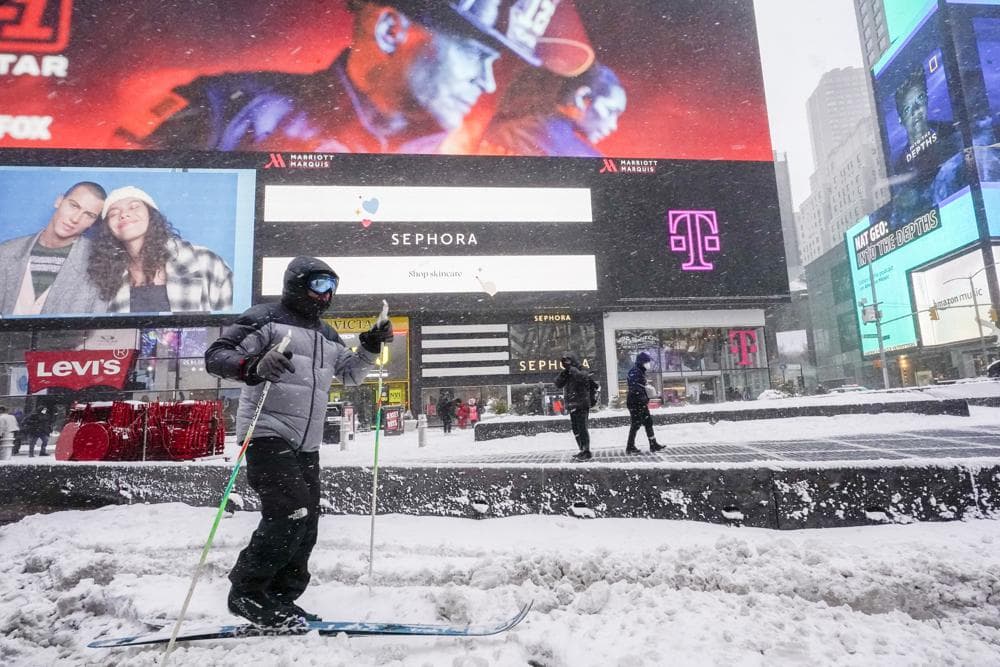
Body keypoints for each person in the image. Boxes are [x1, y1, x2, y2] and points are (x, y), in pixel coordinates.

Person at [204, 256, 392, 627]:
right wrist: (253, 366)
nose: (327, 295)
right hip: (266, 432)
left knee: (308, 521)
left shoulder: (326, 334)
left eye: (332, 288)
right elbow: (217, 356)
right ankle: (247, 593)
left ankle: (280, 596)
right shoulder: (264, 319)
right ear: (296, 283)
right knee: (290, 511)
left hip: (306, 442)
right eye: (320, 285)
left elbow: (351, 375)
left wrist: (369, 346)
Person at [141, 0, 555, 154]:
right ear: (390, 30)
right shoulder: (224, 111)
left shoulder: (465, 155)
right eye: (475, 56)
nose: (487, 83)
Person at [87, 186, 233, 314]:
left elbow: (236, 328)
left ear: (152, 216)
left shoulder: (205, 261)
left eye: (134, 206)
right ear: (107, 229)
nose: (124, 214)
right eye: (113, 213)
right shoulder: (106, 278)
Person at [0, 182, 107, 316]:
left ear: (93, 223)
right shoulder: (5, 251)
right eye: (73, 205)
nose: (75, 219)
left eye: (89, 215)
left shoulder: (99, 263)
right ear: (59, 201)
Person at [479, 63, 626, 157]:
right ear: (582, 97)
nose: (613, 126)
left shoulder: (506, 123)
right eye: (610, 111)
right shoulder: (586, 158)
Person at [554, 353, 596, 462]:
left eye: (567, 361)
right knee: (576, 429)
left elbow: (582, 378)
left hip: (582, 404)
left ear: (573, 361)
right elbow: (558, 383)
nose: (565, 364)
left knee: (582, 428)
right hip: (572, 405)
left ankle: (586, 451)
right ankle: (582, 450)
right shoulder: (568, 372)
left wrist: (572, 369)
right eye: (564, 363)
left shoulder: (582, 369)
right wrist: (565, 372)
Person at [625, 352, 665, 455]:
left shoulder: (639, 371)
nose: (648, 364)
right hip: (636, 403)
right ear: (641, 362)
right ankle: (630, 447)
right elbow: (635, 388)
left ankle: (653, 444)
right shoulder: (635, 372)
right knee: (636, 424)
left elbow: (640, 387)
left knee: (647, 422)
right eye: (647, 362)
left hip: (639, 402)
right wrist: (644, 394)